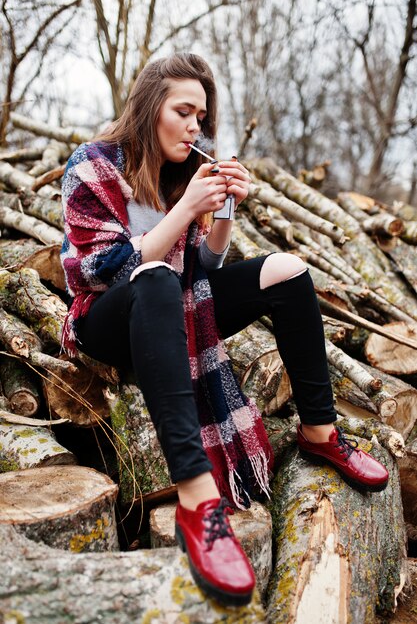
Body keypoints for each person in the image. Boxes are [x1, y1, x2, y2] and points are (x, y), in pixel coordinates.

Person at [60, 52, 389, 607]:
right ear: (148, 110)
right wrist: (187, 208)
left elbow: (206, 270)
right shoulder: (93, 166)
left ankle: (319, 433)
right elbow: (105, 271)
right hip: (106, 319)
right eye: (183, 112)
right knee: (157, 279)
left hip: (174, 299)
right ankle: (197, 498)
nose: (195, 127)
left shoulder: (183, 171)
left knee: (288, 270)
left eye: (201, 118)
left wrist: (225, 208)